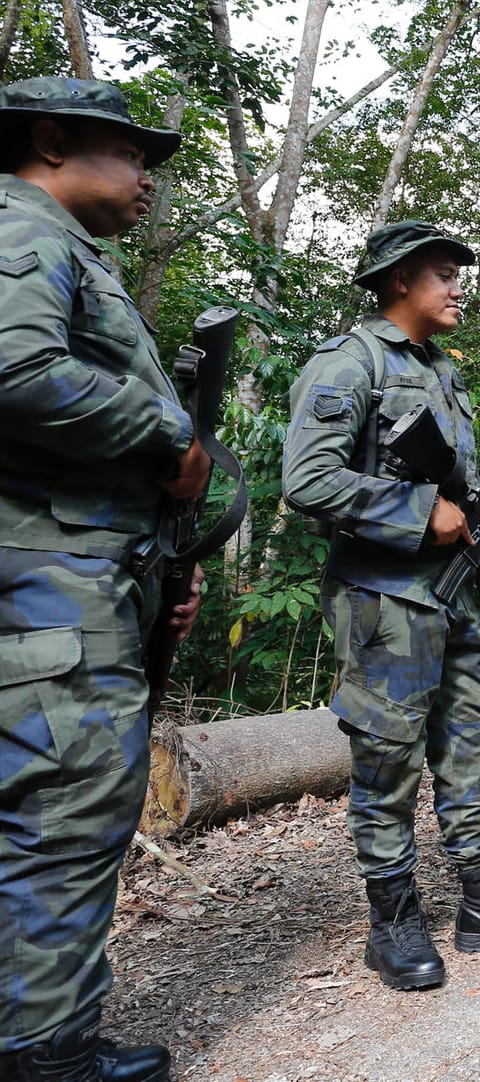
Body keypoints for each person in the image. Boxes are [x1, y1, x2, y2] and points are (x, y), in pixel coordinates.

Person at [283, 221, 480, 993]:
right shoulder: (349, 364)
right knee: (385, 769)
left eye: (457, 272)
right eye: (442, 273)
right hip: (384, 604)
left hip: (449, 599)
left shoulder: (440, 370)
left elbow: (462, 496)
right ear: (397, 281)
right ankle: (395, 925)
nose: (457, 286)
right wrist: (418, 514)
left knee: (470, 752)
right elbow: (308, 481)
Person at [0, 76, 210, 1081]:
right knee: (65, 815)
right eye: (131, 155)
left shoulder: (62, 249)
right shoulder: (20, 229)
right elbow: (15, 370)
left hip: (79, 576)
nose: (147, 180)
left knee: (54, 813)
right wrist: (169, 432)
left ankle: (45, 1039)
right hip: (46, 586)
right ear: (49, 140)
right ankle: (46, 1058)